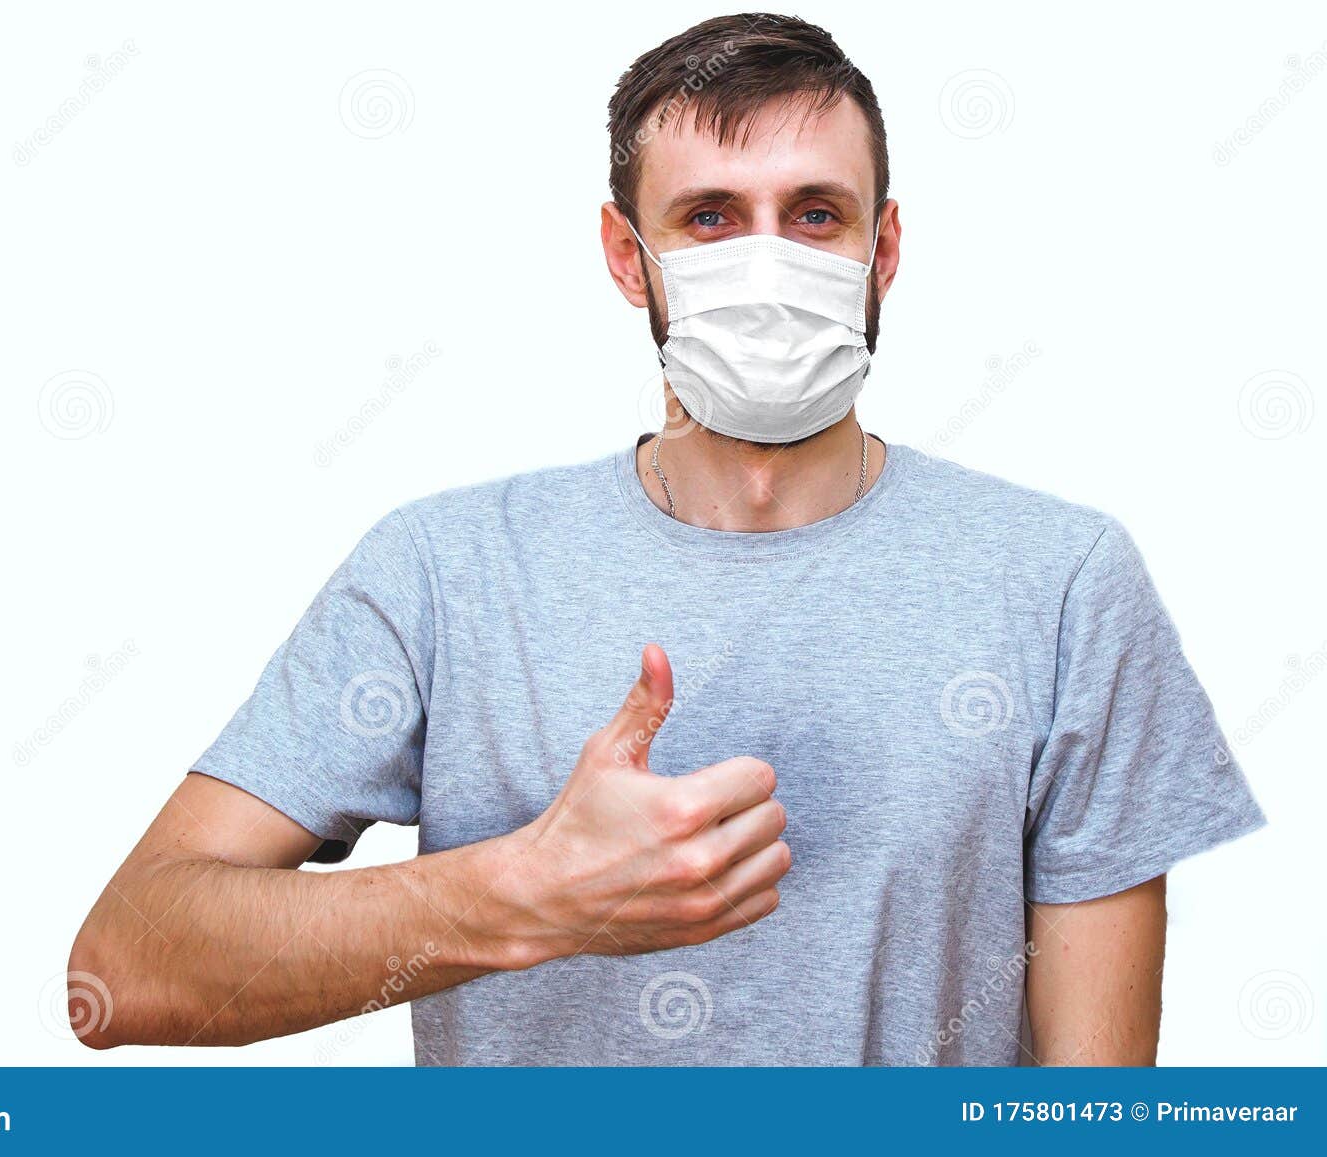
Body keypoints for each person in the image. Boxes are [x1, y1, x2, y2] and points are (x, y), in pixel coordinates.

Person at [68, 12, 1264, 1065]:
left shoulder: (1060, 584)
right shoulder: (445, 573)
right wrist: (520, 892)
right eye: (708, 217)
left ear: (881, 250)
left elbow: (1098, 1106)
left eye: (813, 214)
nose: (768, 263)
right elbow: (124, 969)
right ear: (623, 257)